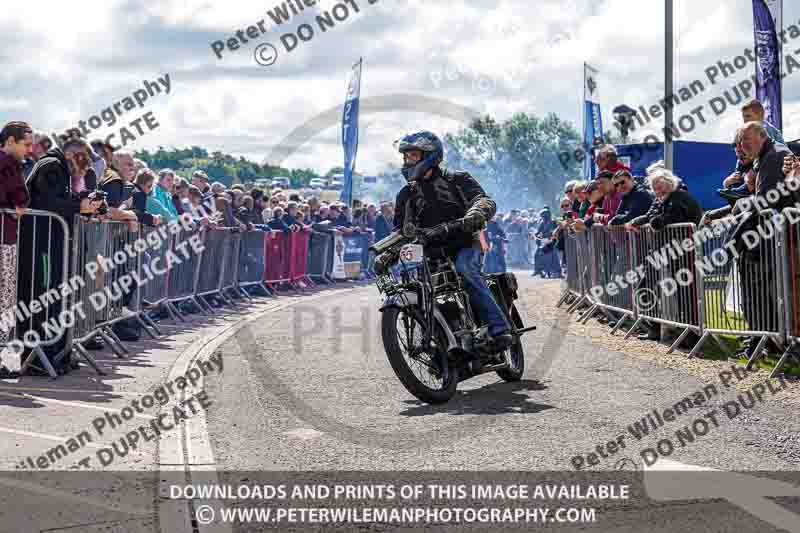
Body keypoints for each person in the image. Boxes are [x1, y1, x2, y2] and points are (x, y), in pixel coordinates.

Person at [373, 130, 512, 365]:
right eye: (405, 157)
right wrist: (387, 253)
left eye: (413, 156)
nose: (407, 162)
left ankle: (499, 328)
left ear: (430, 155)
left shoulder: (456, 178)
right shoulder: (406, 194)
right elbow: (401, 232)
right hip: (429, 250)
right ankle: (446, 339)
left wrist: (476, 213)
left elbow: (483, 199)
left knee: (465, 269)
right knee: (416, 285)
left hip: (464, 242)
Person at [0, 122, 32, 373]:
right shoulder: (8, 163)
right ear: (10, 141)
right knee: (5, 298)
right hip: (4, 240)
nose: (29, 150)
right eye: (26, 144)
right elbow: (21, 201)